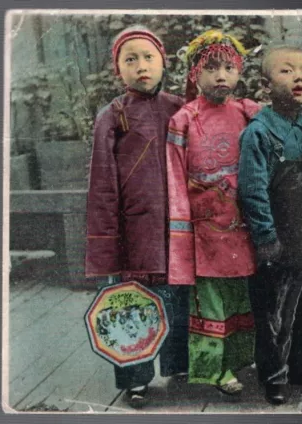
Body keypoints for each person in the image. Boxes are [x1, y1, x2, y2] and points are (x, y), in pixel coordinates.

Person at [85, 25, 189, 407]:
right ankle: (136, 378)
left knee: (178, 295)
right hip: (136, 227)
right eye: (131, 59)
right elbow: (102, 183)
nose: (141, 66)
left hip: (178, 224)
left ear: (163, 62)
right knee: (134, 301)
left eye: (148, 57)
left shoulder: (180, 108)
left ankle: (179, 365)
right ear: (118, 70)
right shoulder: (111, 116)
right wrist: (107, 239)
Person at [166, 30, 261, 396]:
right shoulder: (184, 119)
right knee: (209, 299)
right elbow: (175, 177)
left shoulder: (248, 112)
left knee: (238, 293)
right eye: (211, 69)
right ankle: (214, 369)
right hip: (204, 224)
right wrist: (183, 223)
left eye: (229, 68)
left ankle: (237, 360)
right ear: (194, 74)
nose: (221, 76)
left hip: (240, 223)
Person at [238, 46, 302, 405]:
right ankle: (273, 375)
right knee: (274, 313)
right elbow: (252, 189)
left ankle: (300, 366)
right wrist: (266, 237)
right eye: (287, 71)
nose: (298, 77)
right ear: (265, 85)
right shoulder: (259, 132)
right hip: (275, 236)